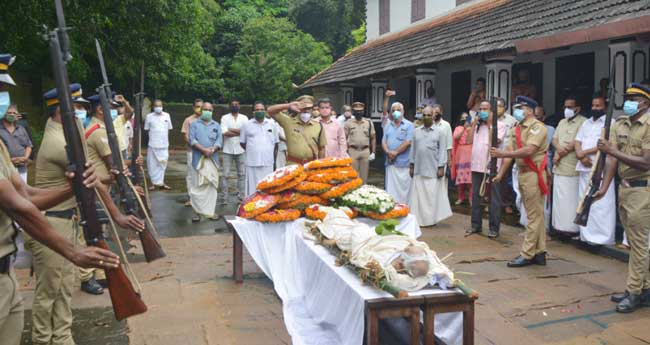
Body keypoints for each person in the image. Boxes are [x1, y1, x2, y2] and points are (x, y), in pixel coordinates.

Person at [30, 85, 143, 345]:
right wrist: (116, 213)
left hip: (65, 219)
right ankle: (43, 339)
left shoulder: (68, 134)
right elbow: (91, 181)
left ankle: (61, 338)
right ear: (63, 111)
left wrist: (115, 207)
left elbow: (93, 180)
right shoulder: (59, 142)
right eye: (77, 108)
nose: (82, 112)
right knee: (50, 292)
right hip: (52, 221)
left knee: (62, 288)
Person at [593, 83, 650, 313]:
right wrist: (605, 187)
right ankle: (645, 289)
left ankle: (633, 292)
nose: (628, 101)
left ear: (645, 102)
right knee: (638, 243)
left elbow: (646, 161)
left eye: (633, 98)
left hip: (643, 190)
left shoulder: (648, 125)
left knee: (638, 244)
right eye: (627, 97)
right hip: (624, 189)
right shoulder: (620, 123)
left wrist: (611, 150)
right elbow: (611, 160)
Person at [491, 96, 549, 267]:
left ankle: (527, 253)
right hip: (522, 173)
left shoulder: (538, 128)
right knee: (535, 214)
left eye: (520, 107)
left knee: (533, 216)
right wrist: (500, 174)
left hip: (534, 174)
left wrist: (504, 154)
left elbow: (529, 150)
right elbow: (509, 152)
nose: (516, 111)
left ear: (529, 110)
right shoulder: (516, 127)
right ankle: (540, 252)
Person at [574, 94, 615, 245]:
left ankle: (602, 238)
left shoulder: (611, 123)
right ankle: (585, 236)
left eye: (598, 106)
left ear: (604, 107)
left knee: (601, 204)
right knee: (584, 201)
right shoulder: (586, 123)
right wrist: (579, 154)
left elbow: (604, 144)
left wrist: (584, 153)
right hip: (584, 167)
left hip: (600, 168)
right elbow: (578, 140)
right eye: (593, 105)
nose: (595, 108)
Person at [466, 101, 507, 238]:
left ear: (492, 112)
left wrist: (490, 124)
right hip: (477, 165)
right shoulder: (478, 126)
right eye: (481, 109)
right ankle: (475, 225)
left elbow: (494, 142)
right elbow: (468, 140)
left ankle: (494, 228)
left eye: (485, 109)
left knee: (494, 198)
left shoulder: (500, 126)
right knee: (476, 196)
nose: (482, 111)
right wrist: (473, 124)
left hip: (492, 166)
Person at [408, 106, 451, 226]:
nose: (426, 117)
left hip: (433, 169)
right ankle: (420, 221)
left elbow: (443, 150)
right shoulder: (416, 131)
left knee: (431, 198)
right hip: (419, 169)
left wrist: (441, 167)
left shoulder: (440, 132)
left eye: (429, 115)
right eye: (424, 115)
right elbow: (413, 150)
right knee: (419, 198)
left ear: (433, 116)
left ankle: (431, 221)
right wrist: (411, 166)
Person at [551, 96, 586, 235]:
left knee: (571, 201)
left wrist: (560, 153)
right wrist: (558, 150)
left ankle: (572, 230)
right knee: (560, 202)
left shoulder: (583, 122)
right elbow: (554, 139)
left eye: (570, 107)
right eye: (565, 107)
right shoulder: (562, 122)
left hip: (571, 167)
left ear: (577, 108)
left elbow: (575, 142)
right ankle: (559, 228)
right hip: (559, 166)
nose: (567, 110)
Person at [267, 95, 327, 164]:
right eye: (303, 107)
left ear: (312, 109)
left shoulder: (318, 125)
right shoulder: (288, 122)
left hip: (311, 165)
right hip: (293, 164)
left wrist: (321, 166)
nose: (306, 110)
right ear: (298, 107)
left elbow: (322, 148)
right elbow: (270, 110)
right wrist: (289, 105)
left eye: (309, 108)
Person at [189, 102, 222, 221]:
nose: (207, 111)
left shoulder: (216, 125)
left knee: (212, 185)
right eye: (205, 109)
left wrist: (213, 149)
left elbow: (219, 141)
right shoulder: (194, 124)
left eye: (209, 109)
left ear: (212, 111)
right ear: (201, 111)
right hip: (199, 160)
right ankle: (196, 212)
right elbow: (192, 140)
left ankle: (210, 212)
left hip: (213, 159)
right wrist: (203, 150)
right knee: (197, 186)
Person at [240, 102, 278, 196]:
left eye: (261, 109)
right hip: (252, 162)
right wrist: (254, 151)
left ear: (265, 111)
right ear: (253, 112)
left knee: (267, 188)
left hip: (268, 162)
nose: (259, 111)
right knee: (253, 190)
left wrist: (273, 160)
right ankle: (252, 208)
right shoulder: (246, 125)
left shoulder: (272, 124)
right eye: (257, 110)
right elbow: (242, 142)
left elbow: (276, 143)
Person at [382, 96, 414, 204]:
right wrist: (388, 152)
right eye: (393, 110)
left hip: (404, 164)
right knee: (391, 193)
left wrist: (395, 152)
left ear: (403, 111)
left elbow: (408, 142)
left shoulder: (409, 125)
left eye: (398, 110)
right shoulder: (387, 125)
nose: (396, 112)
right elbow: (383, 142)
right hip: (391, 164)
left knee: (404, 194)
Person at [220, 100, 248, 204]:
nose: (235, 106)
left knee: (242, 174)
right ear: (229, 106)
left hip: (241, 150)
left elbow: (246, 132)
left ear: (239, 106)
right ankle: (224, 198)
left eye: (236, 104)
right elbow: (224, 132)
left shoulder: (244, 118)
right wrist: (239, 132)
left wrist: (231, 129)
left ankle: (241, 197)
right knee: (225, 175)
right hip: (227, 150)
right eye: (232, 105)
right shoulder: (224, 118)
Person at [344, 102, 376, 184]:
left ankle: (362, 193)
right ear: (353, 112)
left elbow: (373, 138)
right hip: (353, 151)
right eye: (356, 111)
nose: (359, 113)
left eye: (360, 111)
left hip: (365, 151)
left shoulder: (368, 122)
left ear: (363, 111)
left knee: (364, 176)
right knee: (353, 176)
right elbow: (344, 138)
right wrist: (345, 152)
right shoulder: (348, 123)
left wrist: (373, 152)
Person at [144, 99, 172, 190]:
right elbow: (147, 129)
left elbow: (168, 129)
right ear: (153, 107)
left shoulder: (167, 116)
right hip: (152, 144)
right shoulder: (149, 116)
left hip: (164, 144)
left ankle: (161, 183)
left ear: (162, 106)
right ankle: (152, 184)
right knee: (152, 164)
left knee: (162, 164)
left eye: (160, 106)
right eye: (156, 106)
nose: (158, 107)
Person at [0, 104, 32, 182]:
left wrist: (25, 158)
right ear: (3, 114)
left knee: (24, 191)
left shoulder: (21, 129)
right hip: (6, 169)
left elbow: (28, 145)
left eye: (14, 113)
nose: (12, 115)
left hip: (22, 168)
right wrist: (9, 160)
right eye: (9, 113)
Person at [496, 98, 517, 214]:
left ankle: (506, 204)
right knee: (494, 180)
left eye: (500, 106)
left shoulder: (512, 120)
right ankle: (494, 203)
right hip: (494, 153)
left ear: (505, 108)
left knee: (506, 180)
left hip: (507, 154)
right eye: (496, 106)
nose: (498, 108)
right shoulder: (491, 118)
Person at [181, 99, 203, 207]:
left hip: (205, 153)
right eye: (198, 106)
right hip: (192, 151)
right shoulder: (188, 120)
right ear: (193, 107)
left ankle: (202, 198)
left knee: (203, 174)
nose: (200, 108)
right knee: (191, 174)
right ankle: (191, 197)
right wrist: (195, 145)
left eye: (201, 106)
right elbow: (185, 136)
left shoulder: (206, 120)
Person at [451, 112, 472, 205]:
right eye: (463, 118)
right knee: (460, 178)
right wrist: (464, 128)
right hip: (461, 153)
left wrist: (469, 128)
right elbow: (456, 137)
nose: (465, 120)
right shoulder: (458, 128)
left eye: (466, 118)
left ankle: (471, 198)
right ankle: (461, 197)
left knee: (471, 179)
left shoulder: (473, 128)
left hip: (471, 153)